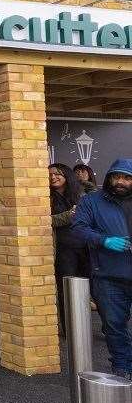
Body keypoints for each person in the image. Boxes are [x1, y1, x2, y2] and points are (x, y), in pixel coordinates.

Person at [73, 159, 132, 380]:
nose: (121, 182)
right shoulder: (92, 201)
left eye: (127, 177)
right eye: (116, 177)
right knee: (114, 325)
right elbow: (78, 229)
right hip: (108, 274)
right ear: (108, 178)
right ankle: (123, 368)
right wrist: (104, 240)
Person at [49, 163, 87, 334]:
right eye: (50, 175)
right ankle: (69, 330)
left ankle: (97, 326)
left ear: (67, 176)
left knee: (91, 287)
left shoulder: (80, 194)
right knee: (65, 290)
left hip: (85, 247)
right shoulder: (46, 197)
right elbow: (45, 220)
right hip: (63, 250)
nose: (53, 177)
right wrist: (68, 216)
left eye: (57, 174)